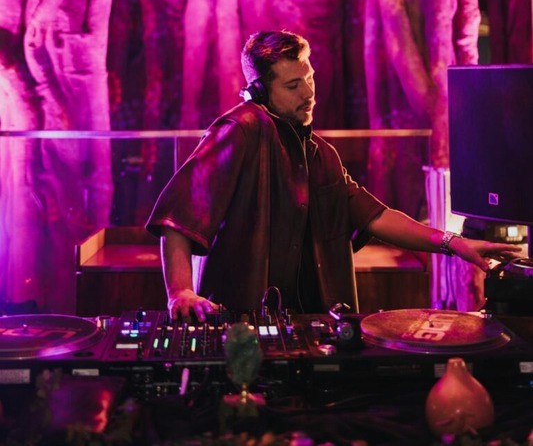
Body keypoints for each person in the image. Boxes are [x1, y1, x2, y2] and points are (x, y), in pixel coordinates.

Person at [146, 30, 521, 320]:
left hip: (308, 322)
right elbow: (178, 217)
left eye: (309, 78)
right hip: (239, 325)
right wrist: (180, 292)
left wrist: (455, 244)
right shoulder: (239, 129)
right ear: (259, 92)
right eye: (293, 85)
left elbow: (377, 216)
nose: (308, 92)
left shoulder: (320, 154)